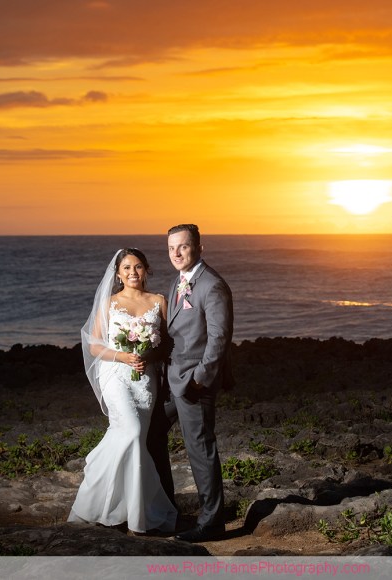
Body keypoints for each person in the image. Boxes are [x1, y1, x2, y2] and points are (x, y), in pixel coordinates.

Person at [68, 248, 178, 534]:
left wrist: (147, 357)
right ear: (117, 274)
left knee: (134, 440)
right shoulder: (109, 303)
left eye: (138, 266)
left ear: (146, 269)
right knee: (130, 430)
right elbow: (94, 345)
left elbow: (167, 343)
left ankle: (124, 512)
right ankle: (124, 510)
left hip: (145, 378)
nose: (133, 272)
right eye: (127, 267)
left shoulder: (159, 301)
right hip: (115, 374)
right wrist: (122, 357)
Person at [157, 224, 234, 543]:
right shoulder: (178, 280)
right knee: (151, 433)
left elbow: (219, 338)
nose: (176, 253)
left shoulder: (212, 285)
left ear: (199, 248)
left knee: (200, 449)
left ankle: (212, 523)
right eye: (171, 247)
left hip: (194, 383)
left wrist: (200, 379)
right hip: (173, 380)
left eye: (183, 246)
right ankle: (164, 509)